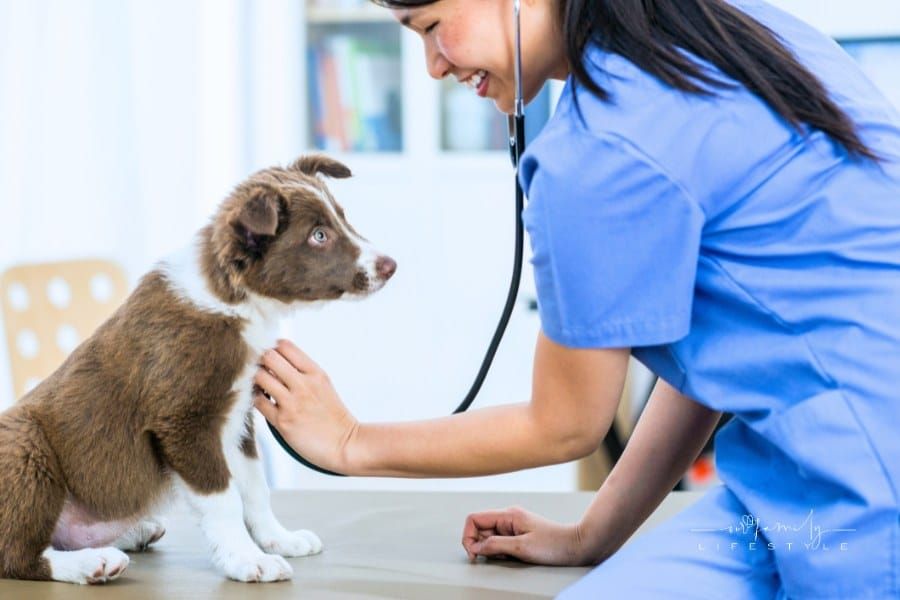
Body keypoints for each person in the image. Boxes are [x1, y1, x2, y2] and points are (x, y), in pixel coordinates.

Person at [252, 0, 900, 597]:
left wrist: (349, 441)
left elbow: (565, 422)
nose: (431, 66)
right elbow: (723, 344)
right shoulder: (721, 30)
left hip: (866, 489)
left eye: (429, 26)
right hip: (787, 480)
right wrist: (593, 536)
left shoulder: (597, 154)